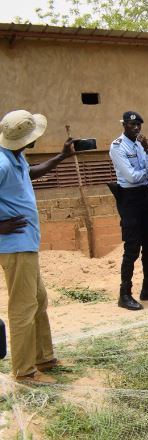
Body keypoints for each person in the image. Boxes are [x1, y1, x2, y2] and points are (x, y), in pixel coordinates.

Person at [0, 110, 76, 382]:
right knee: (23, 307)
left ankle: (43, 357)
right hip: (15, 246)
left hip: (26, 243)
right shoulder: (2, 164)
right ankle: (24, 371)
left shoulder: (15, 156)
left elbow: (29, 173)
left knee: (39, 300)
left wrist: (61, 157)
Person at [109, 111, 148, 311]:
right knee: (132, 248)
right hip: (129, 199)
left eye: (138, 125)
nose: (136, 128)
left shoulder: (139, 145)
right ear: (124, 125)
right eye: (131, 124)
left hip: (143, 196)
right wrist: (146, 173)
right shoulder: (117, 146)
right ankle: (124, 294)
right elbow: (132, 176)